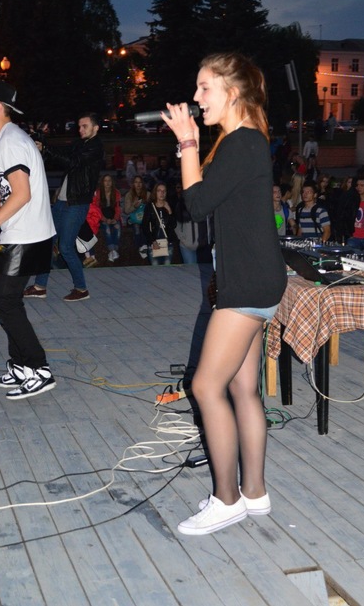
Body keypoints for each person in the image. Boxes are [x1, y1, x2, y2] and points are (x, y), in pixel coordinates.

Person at [161, 52, 287, 535]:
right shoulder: (247, 142)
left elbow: (195, 204)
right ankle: (254, 492)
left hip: (248, 283)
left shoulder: (241, 143)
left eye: (204, 87)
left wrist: (186, 141)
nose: (196, 97)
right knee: (241, 388)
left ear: (232, 93)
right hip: (256, 278)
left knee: (205, 387)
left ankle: (227, 499)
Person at [0, 80, 56, 399]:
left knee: (3, 301)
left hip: (25, 235)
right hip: (26, 233)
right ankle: (21, 366)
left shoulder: (11, 141)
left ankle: (39, 369)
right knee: (6, 300)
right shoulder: (11, 137)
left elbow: (21, 193)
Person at [24, 112, 104, 301]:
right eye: (79, 126)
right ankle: (40, 286)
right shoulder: (79, 144)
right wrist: (43, 142)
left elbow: (72, 161)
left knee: (66, 247)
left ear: (96, 128)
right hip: (62, 202)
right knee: (47, 242)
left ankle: (81, 289)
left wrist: (47, 148)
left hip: (76, 204)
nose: (80, 129)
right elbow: (62, 151)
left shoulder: (95, 147)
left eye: (84, 126)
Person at [141, 182, 177, 265]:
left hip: (168, 243)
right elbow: (145, 225)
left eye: (164, 191)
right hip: (154, 243)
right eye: (159, 191)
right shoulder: (150, 207)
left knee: (167, 268)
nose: (162, 193)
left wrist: (169, 211)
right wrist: (152, 241)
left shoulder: (169, 205)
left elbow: (174, 225)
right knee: (155, 269)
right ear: (155, 192)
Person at [91, 174, 121, 263]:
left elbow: (118, 208)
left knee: (118, 228)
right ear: (102, 182)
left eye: (109, 181)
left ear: (112, 182)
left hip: (112, 216)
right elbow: (96, 209)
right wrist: (104, 219)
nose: (107, 183)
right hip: (101, 217)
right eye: (105, 181)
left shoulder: (116, 193)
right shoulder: (98, 193)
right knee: (107, 229)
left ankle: (114, 251)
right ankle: (112, 250)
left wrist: (115, 219)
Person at [124, 174, 150, 258]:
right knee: (137, 228)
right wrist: (134, 206)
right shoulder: (129, 195)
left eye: (140, 182)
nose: (138, 184)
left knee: (145, 227)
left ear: (143, 184)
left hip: (145, 218)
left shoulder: (148, 194)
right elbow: (126, 211)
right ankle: (141, 247)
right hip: (134, 219)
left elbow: (152, 208)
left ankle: (142, 247)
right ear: (133, 184)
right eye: (136, 182)